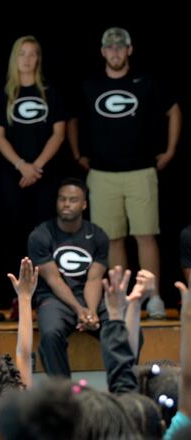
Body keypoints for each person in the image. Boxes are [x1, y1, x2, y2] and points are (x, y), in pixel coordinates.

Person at [68, 27, 182, 319]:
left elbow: (174, 111)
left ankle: (153, 296)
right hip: (103, 174)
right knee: (113, 239)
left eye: (121, 47)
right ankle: (121, 295)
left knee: (145, 235)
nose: (115, 52)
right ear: (103, 51)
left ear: (129, 50)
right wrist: (78, 154)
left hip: (141, 171)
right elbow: (72, 119)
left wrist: (168, 152)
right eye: (110, 47)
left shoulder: (146, 82)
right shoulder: (90, 85)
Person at [0, 35, 67, 278]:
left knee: (45, 231)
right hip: (13, 175)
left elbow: (58, 134)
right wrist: (21, 165)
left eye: (32, 54)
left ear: (38, 59)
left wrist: (36, 167)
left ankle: (46, 288)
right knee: (15, 231)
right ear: (15, 58)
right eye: (22, 53)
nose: (27, 59)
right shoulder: (3, 95)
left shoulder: (50, 92)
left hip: (44, 174)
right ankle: (17, 291)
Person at [28, 178, 109, 377]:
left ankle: (122, 388)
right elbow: (54, 279)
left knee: (122, 327)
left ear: (84, 204)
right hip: (54, 298)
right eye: (62, 199)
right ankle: (63, 395)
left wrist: (90, 310)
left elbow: (94, 279)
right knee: (50, 334)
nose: (66, 204)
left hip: (90, 297)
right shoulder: (40, 235)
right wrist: (79, 309)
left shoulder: (97, 235)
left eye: (73, 200)